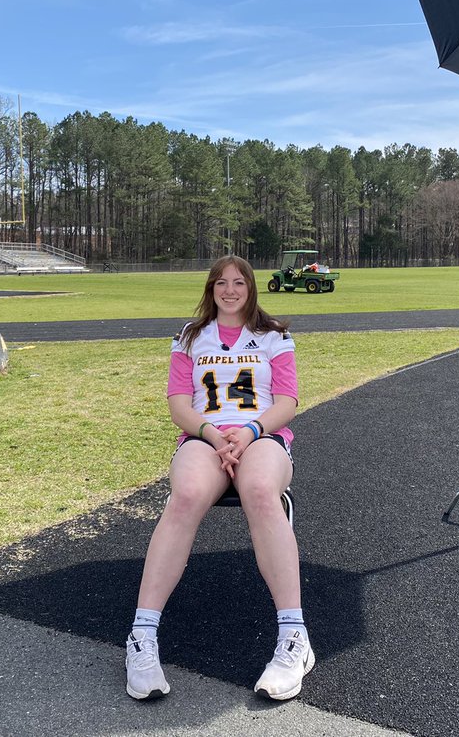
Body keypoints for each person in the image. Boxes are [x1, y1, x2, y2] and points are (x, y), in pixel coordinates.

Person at [125, 255, 312, 702]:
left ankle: (294, 638)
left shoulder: (274, 336)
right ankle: (141, 638)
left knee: (262, 491)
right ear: (211, 289)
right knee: (186, 495)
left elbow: (287, 401)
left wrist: (247, 434)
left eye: (239, 283)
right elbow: (178, 404)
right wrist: (213, 434)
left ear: (251, 288)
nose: (230, 290)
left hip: (262, 435)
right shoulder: (189, 338)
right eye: (221, 283)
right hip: (204, 437)